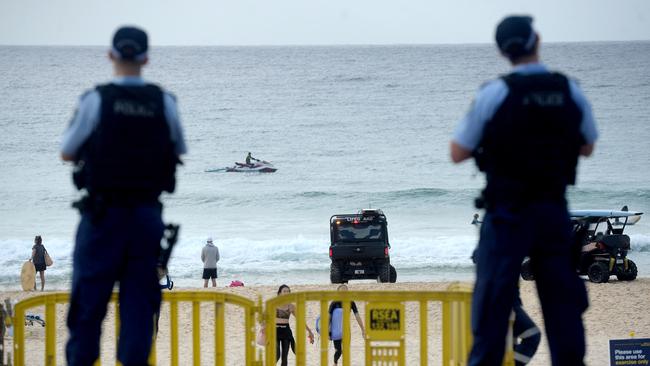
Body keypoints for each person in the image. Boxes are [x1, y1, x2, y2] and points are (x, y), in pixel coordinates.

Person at [450, 15, 597, 366]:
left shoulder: (494, 93)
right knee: (563, 308)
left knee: (492, 311)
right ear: (538, 41)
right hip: (551, 211)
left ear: (504, 51)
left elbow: (457, 152)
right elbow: (588, 145)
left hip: (506, 213)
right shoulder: (568, 89)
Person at [60, 25, 186, 366]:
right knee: (138, 311)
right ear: (146, 57)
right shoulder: (165, 102)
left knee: (87, 309)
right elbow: (179, 149)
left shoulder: (95, 100)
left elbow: (67, 151)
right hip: (146, 218)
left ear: (111, 55)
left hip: (102, 218)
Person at [272, 285, 314, 366]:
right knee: (276, 355)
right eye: (284, 291)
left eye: (288, 291)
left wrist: (309, 331)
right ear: (280, 293)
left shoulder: (291, 306)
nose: (287, 293)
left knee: (285, 358)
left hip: (286, 332)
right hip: (274, 331)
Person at [328, 284, 365, 366]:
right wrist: (328, 331)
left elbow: (357, 316)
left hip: (346, 330)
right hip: (336, 330)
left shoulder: (351, 302)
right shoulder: (334, 303)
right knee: (338, 351)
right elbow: (328, 318)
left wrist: (362, 329)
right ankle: (335, 362)